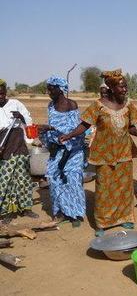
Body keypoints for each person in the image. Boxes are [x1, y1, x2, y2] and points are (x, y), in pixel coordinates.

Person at [60, 69, 137, 236]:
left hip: (124, 153)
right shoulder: (98, 105)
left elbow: (130, 126)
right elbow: (85, 125)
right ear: (112, 88)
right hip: (104, 154)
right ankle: (102, 222)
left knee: (124, 188)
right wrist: (70, 135)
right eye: (121, 87)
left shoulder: (128, 105)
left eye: (125, 86)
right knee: (104, 188)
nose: (125, 89)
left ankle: (125, 217)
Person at [40, 76, 86, 227]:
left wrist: (52, 128)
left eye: (51, 88)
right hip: (57, 150)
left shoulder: (71, 105)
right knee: (54, 180)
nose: (48, 91)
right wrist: (46, 135)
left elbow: (76, 130)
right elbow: (51, 126)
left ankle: (75, 214)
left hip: (72, 151)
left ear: (60, 89)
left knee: (72, 180)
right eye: (48, 88)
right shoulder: (50, 106)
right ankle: (59, 212)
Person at [0, 79, 38, 223]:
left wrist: (21, 117)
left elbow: (29, 122)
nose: (0, 97)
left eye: (2, 93)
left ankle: (26, 208)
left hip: (19, 145)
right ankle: (8, 211)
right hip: (4, 148)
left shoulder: (16, 104)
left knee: (24, 179)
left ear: (5, 92)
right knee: (6, 181)